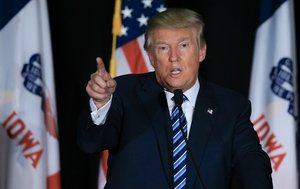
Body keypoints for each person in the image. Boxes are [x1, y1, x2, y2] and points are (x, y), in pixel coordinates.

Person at [77, 8, 273, 189]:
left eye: (184, 45)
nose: (174, 57)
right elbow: (91, 143)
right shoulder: (124, 93)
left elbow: (251, 161)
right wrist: (101, 103)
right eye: (163, 48)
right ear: (151, 57)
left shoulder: (230, 106)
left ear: (201, 51)